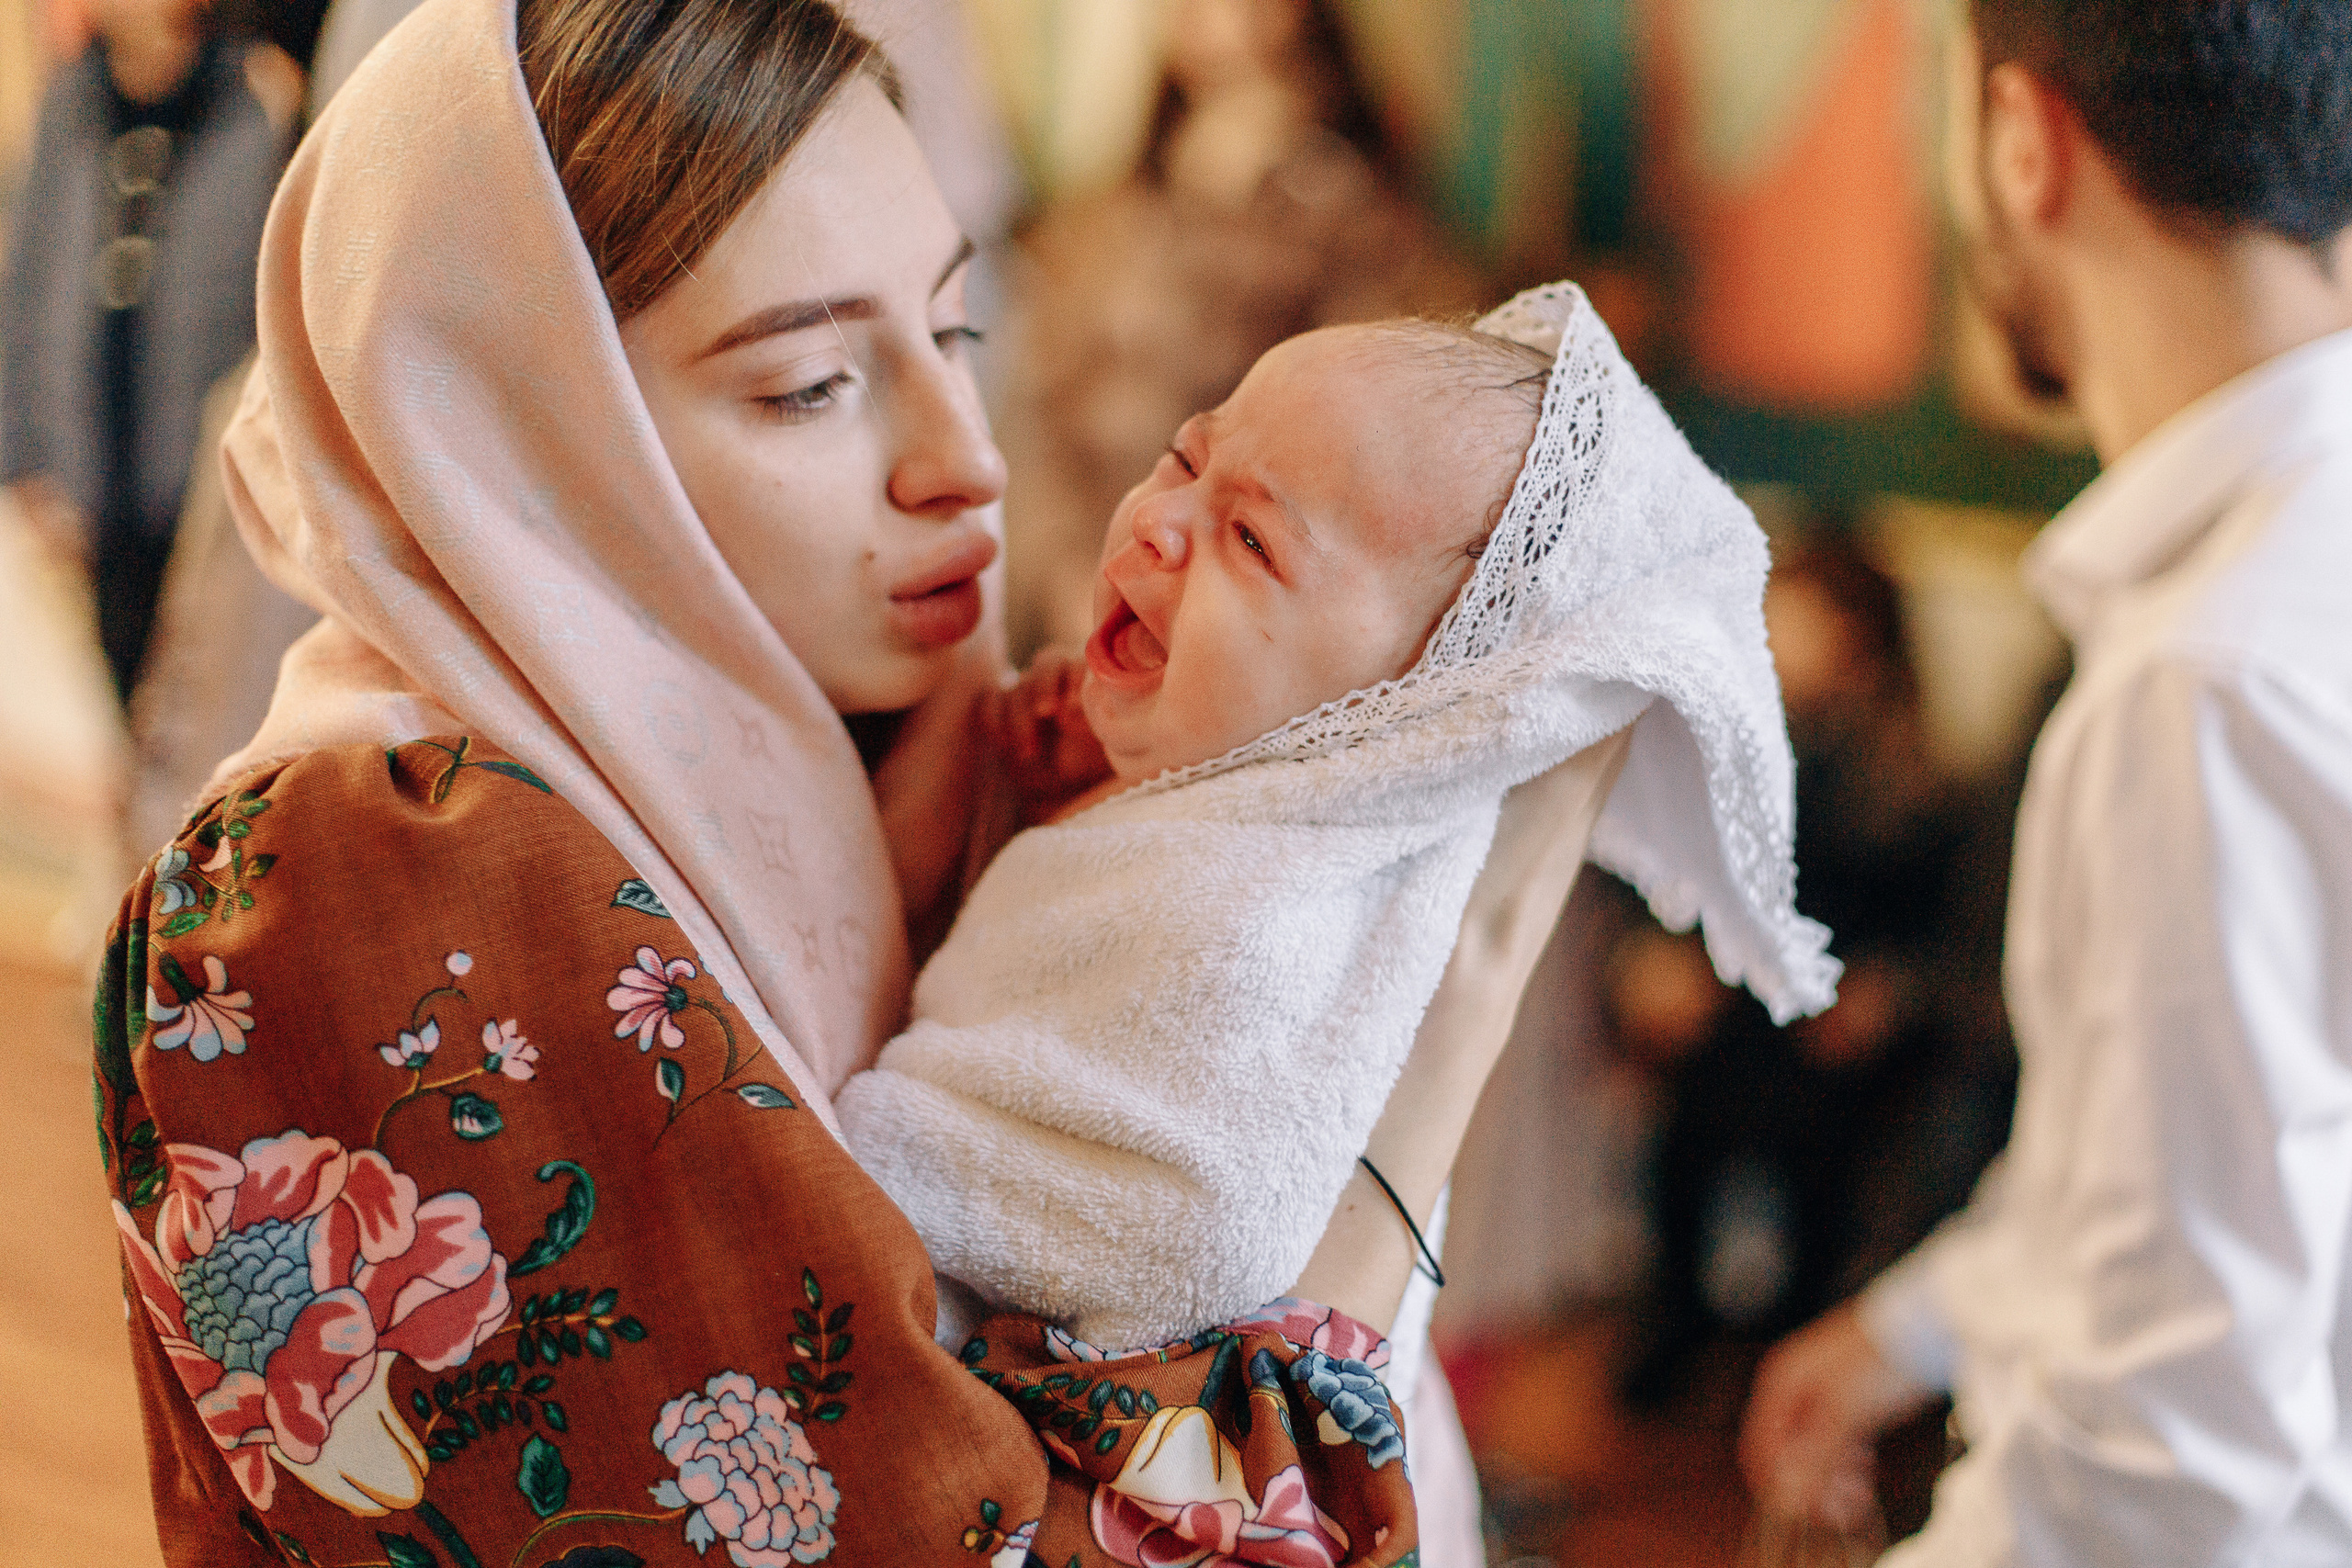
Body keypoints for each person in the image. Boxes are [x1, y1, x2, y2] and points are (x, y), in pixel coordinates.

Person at [94, 0, 1611, 1560]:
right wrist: (1445, 1035)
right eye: (812, 383)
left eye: (954, 333)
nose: (966, 458)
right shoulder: (370, 884)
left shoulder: (912, 761)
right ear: (514, 430)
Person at [839, 299, 1837, 1358]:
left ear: (1408, 717)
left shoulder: (1248, 943)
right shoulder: (1160, 789)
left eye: (1251, 541)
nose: (1159, 521)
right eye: (1186, 459)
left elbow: (1199, 1232)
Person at [1739, 3, 2352, 1561]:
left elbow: (2166, 1462)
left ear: (2022, 144)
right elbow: (2208, 1169)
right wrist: (1916, 1324)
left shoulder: (2208, 684)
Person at [0, 0, 285, 708]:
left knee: (199, 689)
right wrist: (24, 460)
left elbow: (264, 300)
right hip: (91, 464)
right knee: (110, 683)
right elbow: (27, 287)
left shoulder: (247, 103)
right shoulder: (70, 106)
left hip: (204, 469)